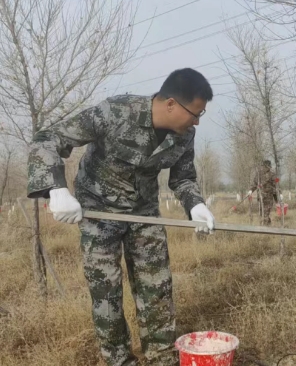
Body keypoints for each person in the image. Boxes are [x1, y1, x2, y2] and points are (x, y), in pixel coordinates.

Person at [27, 68, 215, 366]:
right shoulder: (115, 112)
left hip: (144, 214)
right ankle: (118, 361)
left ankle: (161, 359)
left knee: (157, 288)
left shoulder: (184, 135)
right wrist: (56, 188)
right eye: (195, 113)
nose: (197, 121)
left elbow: (183, 178)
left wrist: (195, 205)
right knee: (107, 293)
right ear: (171, 104)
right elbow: (48, 138)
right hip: (99, 211)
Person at [247, 159, 278, 226]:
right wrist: (251, 190)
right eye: (264, 166)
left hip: (269, 198)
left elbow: (276, 185)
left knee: (266, 213)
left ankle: (265, 227)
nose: (265, 168)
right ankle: (267, 226)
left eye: (267, 167)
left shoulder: (273, 175)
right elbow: (254, 184)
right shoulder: (258, 174)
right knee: (262, 213)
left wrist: (277, 197)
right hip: (261, 197)